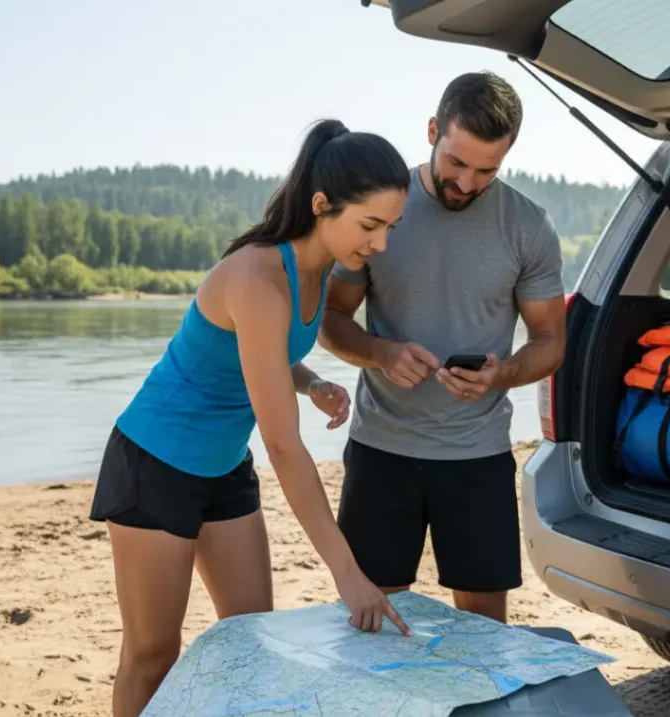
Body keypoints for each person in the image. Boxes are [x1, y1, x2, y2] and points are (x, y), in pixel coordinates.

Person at [87, 119, 412, 717]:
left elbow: (262, 356)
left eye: (390, 227)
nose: (381, 244)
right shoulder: (259, 276)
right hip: (155, 463)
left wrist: (310, 381)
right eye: (370, 225)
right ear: (322, 205)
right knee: (152, 653)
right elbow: (285, 449)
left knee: (249, 639)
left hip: (223, 468)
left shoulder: (317, 273)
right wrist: (347, 573)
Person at [318, 72, 567, 624]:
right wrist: (381, 353)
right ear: (433, 130)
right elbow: (330, 318)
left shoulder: (528, 226)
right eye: (456, 162)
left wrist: (502, 375)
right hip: (382, 449)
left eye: (487, 170)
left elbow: (551, 342)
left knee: (483, 629)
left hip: (477, 455)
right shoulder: (380, 209)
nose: (467, 182)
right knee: (370, 620)